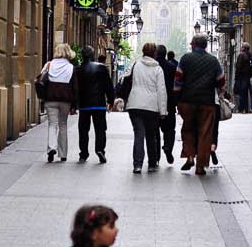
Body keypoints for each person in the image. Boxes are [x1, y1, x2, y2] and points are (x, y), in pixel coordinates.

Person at [175, 34, 226, 175]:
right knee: (205, 133)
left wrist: (177, 97)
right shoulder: (213, 60)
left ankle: (190, 156)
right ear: (205, 45)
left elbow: (178, 80)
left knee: (188, 129)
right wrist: (219, 90)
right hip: (207, 103)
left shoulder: (185, 58)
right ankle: (200, 166)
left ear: (193, 45)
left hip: (187, 101)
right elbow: (221, 80)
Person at [118, 43, 167, 173]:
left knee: (139, 134)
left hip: (135, 105)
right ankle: (152, 164)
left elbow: (126, 80)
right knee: (151, 136)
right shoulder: (158, 69)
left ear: (143, 52)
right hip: (152, 107)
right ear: (155, 54)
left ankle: (137, 165)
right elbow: (161, 91)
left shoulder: (136, 65)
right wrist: (163, 111)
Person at [39, 43, 79, 163]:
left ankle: (51, 148)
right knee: (63, 125)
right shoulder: (71, 68)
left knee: (52, 124)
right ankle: (63, 154)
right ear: (68, 53)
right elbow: (75, 88)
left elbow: (41, 80)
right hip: (65, 101)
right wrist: (74, 106)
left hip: (50, 99)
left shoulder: (49, 65)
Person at [76, 46, 114, 164]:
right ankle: (100, 150)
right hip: (99, 104)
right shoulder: (102, 68)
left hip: (84, 105)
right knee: (100, 129)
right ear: (93, 55)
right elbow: (108, 85)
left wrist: (74, 104)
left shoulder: (78, 69)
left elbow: (75, 89)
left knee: (83, 130)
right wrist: (111, 101)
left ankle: (83, 154)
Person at [160, 51, 179, 163]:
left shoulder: (155, 66)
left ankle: (155, 157)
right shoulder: (172, 67)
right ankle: (168, 147)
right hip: (169, 103)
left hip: (154, 104)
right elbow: (177, 84)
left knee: (154, 131)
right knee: (170, 129)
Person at [232, 43, 252, 112]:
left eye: (242, 47)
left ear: (243, 48)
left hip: (241, 77)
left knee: (241, 93)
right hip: (247, 76)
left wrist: (236, 76)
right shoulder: (250, 55)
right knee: (245, 93)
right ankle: (246, 108)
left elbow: (238, 67)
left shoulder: (241, 55)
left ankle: (241, 108)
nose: (241, 48)